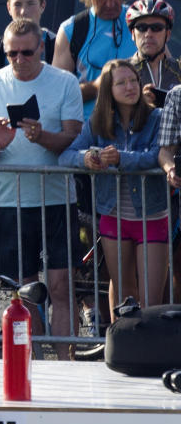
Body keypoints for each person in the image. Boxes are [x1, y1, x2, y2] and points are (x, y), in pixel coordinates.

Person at [0, 19, 82, 359]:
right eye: (10, 54)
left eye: (26, 53)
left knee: (62, 288)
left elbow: (75, 138)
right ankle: (36, 368)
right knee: (25, 291)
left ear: (42, 49)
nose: (18, 60)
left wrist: (41, 136)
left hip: (58, 199)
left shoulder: (64, 82)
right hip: (11, 202)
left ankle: (67, 368)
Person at [60, 60, 165, 317]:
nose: (130, 87)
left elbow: (156, 156)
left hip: (151, 215)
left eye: (133, 81)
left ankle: (150, 352)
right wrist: (88, 157)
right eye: (121, 82)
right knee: (122, 291)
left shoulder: (156, 117)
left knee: (151, 300)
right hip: (113, 216)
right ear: (108, 89)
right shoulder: (97, 122)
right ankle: (120, 347)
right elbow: (66, 156)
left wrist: (120, 158)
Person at [52, 0, 135, 120]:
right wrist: (98, 87)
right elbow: (56, 96)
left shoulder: (139, 22)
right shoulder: (71, 30)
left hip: (137, 132)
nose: (111, 4)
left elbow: (167, 75)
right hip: (89, 133)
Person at [0, 0, 57, 75]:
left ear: (42, 5)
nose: (24, 11)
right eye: (17, 5)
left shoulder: (57, 45)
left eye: (30, 4)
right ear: (9, 8)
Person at [126, 0, 181, 104]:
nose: (148, 34)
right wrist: (139, 105)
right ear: (133, 34)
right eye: (142, 28)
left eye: (156, 28)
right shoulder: (119, 72)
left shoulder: (179, 70)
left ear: (168, 34)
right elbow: (108, 116)